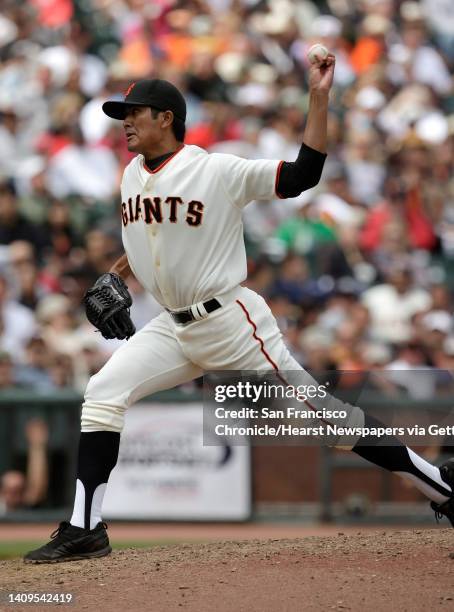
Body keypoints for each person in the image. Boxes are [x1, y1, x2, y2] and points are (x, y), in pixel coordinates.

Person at [24, 55, 454, 564]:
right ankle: (85, 528)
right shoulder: (130, 176)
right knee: (102, 393)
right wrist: (116, 273)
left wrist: (318, 98)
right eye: (123, 114)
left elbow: (302, 174)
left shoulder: (216, 169)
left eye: (135, 112)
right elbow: (150, 239)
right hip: (172, 327)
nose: (126, 122)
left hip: (232, 324)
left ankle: (443, 488)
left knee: (328, 422)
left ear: (167, 117)